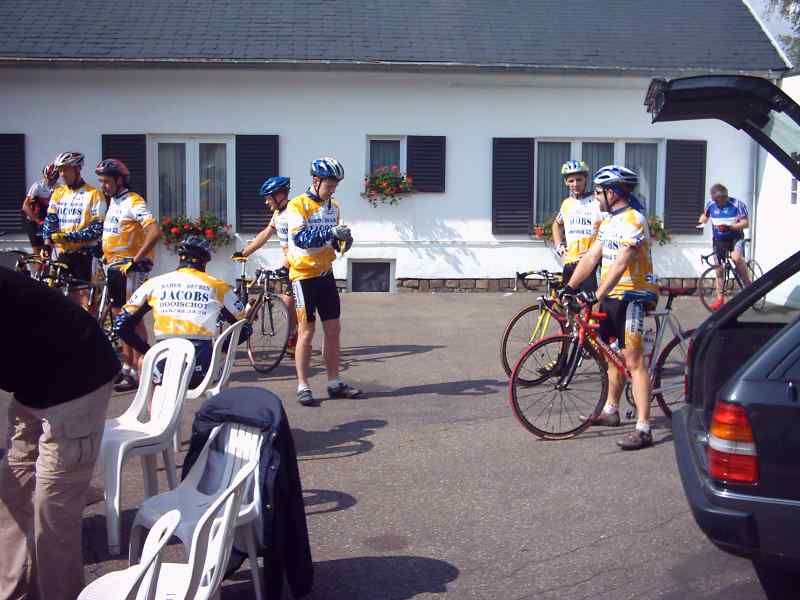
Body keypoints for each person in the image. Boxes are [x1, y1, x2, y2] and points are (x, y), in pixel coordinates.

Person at [0, 266, 119, 600]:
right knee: (12, 490)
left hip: (77, 380)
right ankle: (11, 590)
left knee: (52, 505)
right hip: (32, 382)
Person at [561, 165, 659, 450]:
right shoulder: (609, 222)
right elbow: (592, 257)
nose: (595, 196)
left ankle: (643, 427)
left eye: (599, 191)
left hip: (633, 296)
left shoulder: (634, 220)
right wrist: (569, 287)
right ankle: (611, 411)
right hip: (612, 296)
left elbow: (621, 263)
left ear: (613, 192)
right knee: (612, 355)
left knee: (634, 361)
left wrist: (595, 295)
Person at [113, 236, 249, 388]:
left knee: (144, 361)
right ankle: (219, 408)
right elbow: (245, 327)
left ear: (180, 258)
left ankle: (153, 410)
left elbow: (120, 325)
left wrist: (147, 350)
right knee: (224, 361)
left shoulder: (154, 284)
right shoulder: (217, 286)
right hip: (201, 371)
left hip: (163, 367)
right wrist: (222, 350)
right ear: (205, 261)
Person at [286, 157, 360, 406]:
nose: (332, 190)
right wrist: (330, 233)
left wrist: (343, 241)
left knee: (333, 329)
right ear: (315, 181)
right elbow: (301, 239)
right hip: (303, 276)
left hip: (325, 274)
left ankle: (334, 382)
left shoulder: (334, 206)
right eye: (329, 185)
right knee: (307, 331)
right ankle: (303, 385)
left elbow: (334, 239)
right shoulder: (297, 205)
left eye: (335, 186)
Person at [97, 159, 162, 392]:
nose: (103, 186)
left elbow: (155, 230)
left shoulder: (134, 201)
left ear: (119, 180)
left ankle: (142, 367)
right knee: (119, 320)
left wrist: (137, 259)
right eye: (101, 182)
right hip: (114, 268)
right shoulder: (113, 202)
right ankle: (128, 367)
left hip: (129, 270)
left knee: (132, 320)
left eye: (106, 182)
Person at [232, 175, 298, 355]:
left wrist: (285, 264)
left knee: (289, 300)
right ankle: (294, 335)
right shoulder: (279, 214)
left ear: (280, 195)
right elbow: (266, 233)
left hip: (299, 263)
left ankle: (295, 336)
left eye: (269, 198)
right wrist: (244, 252)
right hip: (289, 263)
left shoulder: (295, 211)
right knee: (287, 299)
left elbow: (296, 243)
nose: (266, 202)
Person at [42, 151, 107, 306]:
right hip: (64, 254)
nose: (62, 174)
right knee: (65, 302)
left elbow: (98, 229)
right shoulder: (58, 192)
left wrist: (68, 237)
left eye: (65, 169)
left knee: (85, 302)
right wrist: (47, 243)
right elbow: (50, 220)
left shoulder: (94, 194)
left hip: (86, 254)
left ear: (77, 169)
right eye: (60, 170)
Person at [697, 183, 751, 311]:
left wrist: (732, 227)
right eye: (717, 201)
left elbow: (745, 223)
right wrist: (701, 221)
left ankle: (748, 283)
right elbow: (705, 215)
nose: (719, 203)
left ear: (726, 196)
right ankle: (720, 299)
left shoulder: (737, 204)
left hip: (735, 237)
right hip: (719, 240)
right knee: (719, 269)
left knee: (736, 258)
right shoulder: (711, 204)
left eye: (721, 200)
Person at [551, 160, 603, 291]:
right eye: (571, 181)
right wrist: (560, 249)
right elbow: (556, 225)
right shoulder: (567, 204)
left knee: (590, 307)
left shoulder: (597, 201)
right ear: (566, 182)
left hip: (591, 264)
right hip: (570, 263)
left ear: (586, 179)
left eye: (579, 180)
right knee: (569, 306)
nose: (575, 184)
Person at [21, 162, 59, 258]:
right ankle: (36, 273)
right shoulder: (37, 186)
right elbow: (25, 206)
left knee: (46, 253)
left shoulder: (59, 188)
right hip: (34, 220)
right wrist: (38, 221)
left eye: (52, 180)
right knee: (37, 254)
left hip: (48, 221)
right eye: (47, 178)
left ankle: (44, 272)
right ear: (44, 175)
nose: (49, 181)